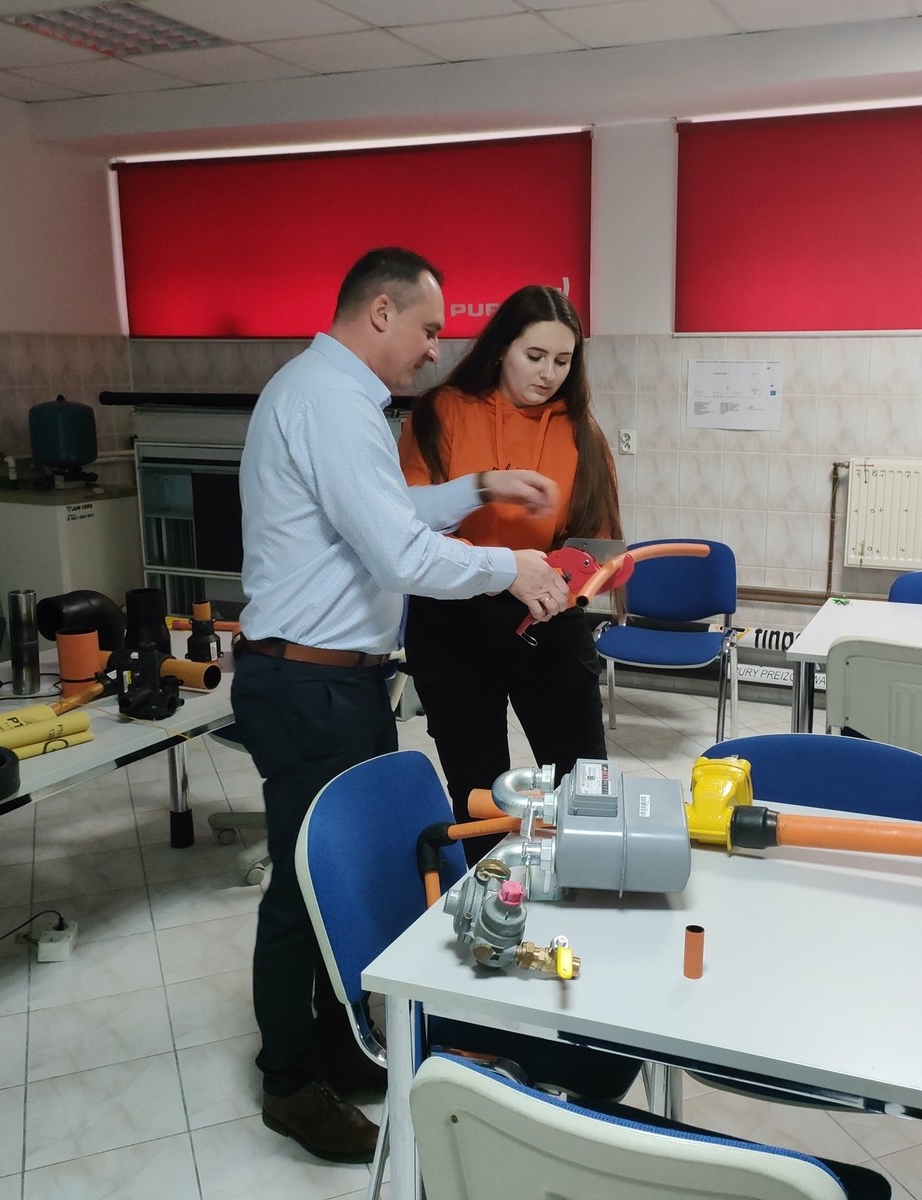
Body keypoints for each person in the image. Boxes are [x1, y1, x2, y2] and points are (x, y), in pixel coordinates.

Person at [232, 248, 571, 1165]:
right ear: (380, 311)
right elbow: (399, 555)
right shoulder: (332, 402)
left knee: (337, 874)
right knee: (302, 887)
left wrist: (481, 489)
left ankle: (339, 1040)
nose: (432, 350)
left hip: (332, 679)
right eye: (427, 329)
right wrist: (511, 567)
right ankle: (289, 1081)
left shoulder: (328, 393)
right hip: (310, 683)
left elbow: (385, 511)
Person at [398, 285, 622, 860]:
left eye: (563, 360)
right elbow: (408, 528)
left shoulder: (582, 431)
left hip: (547, 617)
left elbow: (600, 548)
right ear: (500, 349)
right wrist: (500, 570)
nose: (549, 374)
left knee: (583, 784)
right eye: (535, 356)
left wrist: (568, 586)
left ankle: (587, 883)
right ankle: (492, 898)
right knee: (478, 793)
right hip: (453, 622)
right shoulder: (441, 412)